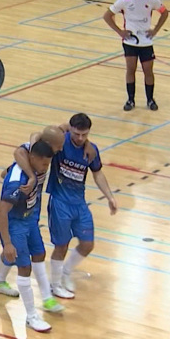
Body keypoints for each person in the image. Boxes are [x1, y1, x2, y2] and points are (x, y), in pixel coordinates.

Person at [0, 140, 63, 333]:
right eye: (44, 164)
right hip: (14, 224)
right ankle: (32, 317)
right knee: (23, 266)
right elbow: (2, 211)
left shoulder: (32, 167)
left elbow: (6, 170)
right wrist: (8, 242)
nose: (46, 168)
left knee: (37, 254)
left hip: (28, 220)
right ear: (33, 159)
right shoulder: (17, 182)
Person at [0, 118, 97, 297]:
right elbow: (18, 152)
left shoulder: (47, 149)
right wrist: (30, 177)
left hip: (33, 205)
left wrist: (85, 142)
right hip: (20, 208)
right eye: (59, 146)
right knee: (19, 253)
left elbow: (63, 127)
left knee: (26, 251)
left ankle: (0, 281)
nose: (62, 149)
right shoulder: (32, 152)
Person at [45, 114, 117, 296]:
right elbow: (43, 135)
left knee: (87, 244)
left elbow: (98, 173)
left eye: (84, 135)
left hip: (79, 202)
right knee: (61, 245)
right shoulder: (59, 143)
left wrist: (110, 197)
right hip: (60, 202)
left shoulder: (91, 150)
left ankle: (66, 272)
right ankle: (55, 285)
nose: (80, 138)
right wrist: (63, 127)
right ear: (70, 129)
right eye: (76, 134)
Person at [103, 0, 169, 112]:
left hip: (146, 42)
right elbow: (107, 15)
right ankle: (130, 99)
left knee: (148, 71)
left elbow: (164, 12)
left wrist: (155, 30)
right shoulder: (124, 0)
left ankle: (150, 100)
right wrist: (120, 31)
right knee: (130, 70)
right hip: (130, 42)